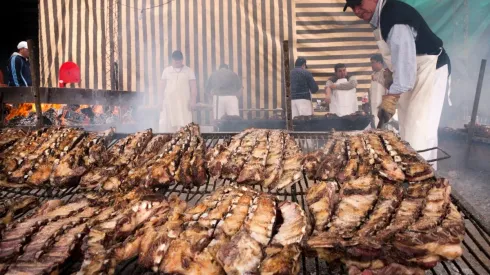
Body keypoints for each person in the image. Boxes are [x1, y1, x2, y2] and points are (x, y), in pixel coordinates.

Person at [344, 0, 451, 168]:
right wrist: (389, 73)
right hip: (411, 72)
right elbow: (397, 55)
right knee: (407, 128)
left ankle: (422, 180)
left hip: (429, 69)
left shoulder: (395, 18)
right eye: (352, 7)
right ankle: (414, 172)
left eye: (359, 3)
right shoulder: (379, 19)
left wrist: (391, 96)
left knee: (419, 128)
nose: (357, 10)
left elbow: (405, 73)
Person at [159, 50, 197, 132]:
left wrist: (193, 101)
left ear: (182, 60)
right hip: (169, 102)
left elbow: (193, 87)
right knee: (168, 124)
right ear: (172, 60)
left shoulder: (189, 71)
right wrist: (160, 101)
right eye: (175, 59)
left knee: (185, 125)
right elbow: (161, 87)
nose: (177, 61)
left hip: (184, 102)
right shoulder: (166, 71)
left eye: (179, 59)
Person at [369, 54, 387, 126]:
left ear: (379, 62)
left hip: (381, 104)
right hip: (373, 104)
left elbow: (388, 89)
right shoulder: (373, 74)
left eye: (373, 62)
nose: (371, 65)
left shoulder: (385, 73)